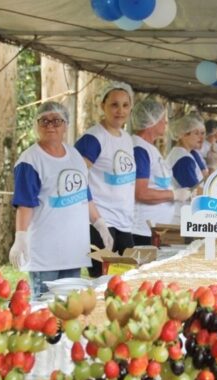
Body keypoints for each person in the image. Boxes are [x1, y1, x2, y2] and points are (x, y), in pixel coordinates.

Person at [9, 102, 103, 299]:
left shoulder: (75, 155)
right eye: (44, 121)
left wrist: (100, 223)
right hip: (45, 255)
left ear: (66, 126)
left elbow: (84, 195)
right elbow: (25, 204)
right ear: (36, 126)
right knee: (46, 310)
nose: (50, 125)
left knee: (70, 308)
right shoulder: (30, 160)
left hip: (74, 251)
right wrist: (20, 237)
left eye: (57, 121)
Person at [75, 81, 136, 277]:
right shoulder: (94, 138)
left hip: (124, 223)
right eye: (114, 105)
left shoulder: (126, 138)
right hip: (100, 223)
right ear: (103, 106)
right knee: (102, 282)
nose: (120, 110)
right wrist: (97, 220)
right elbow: (76, 179)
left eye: (125, 105)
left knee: (127, 279)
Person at [130, 99, 191, 246]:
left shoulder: (149, 148)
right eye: (162, 119)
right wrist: (174, 195)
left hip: (154, 228)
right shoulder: (140, 150)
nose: (165, 123)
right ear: (151, 122)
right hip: (142, 230)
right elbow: (141, 193)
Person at [167, 114, 206, 194]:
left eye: (202, 133)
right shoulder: (184, 160)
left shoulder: (182, 154)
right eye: (196, 133)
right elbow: (195, 191)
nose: (201, 137)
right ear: (183, 135)